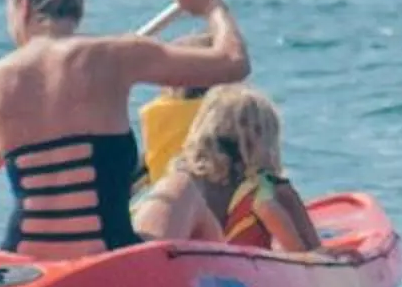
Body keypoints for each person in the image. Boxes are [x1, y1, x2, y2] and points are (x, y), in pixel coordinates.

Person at [0, 0, 249, 258]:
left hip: (27, 260)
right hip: (108, 255)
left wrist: (6, 152)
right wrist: (211, 6)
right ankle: (226, 280)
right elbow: (234, 63)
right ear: (78, 7)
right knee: (183, 188)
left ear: (22, 5)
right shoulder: (117, 54)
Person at [130, 82, 325, 254]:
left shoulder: (184, 181)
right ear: (266, 141)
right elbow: (270, 211)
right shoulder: (263, 189)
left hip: (180, 261)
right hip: (235, 272)